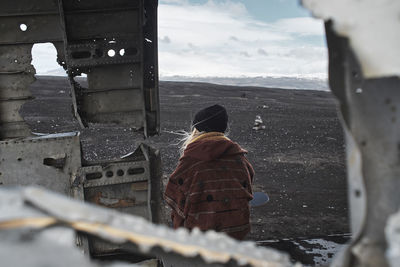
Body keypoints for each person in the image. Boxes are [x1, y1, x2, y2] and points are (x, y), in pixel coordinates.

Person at [164, 104, 254, 240]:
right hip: (236, 233)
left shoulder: (191, 160)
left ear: (198, 130)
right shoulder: (239, 159)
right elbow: (248, 183)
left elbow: (175, 195)